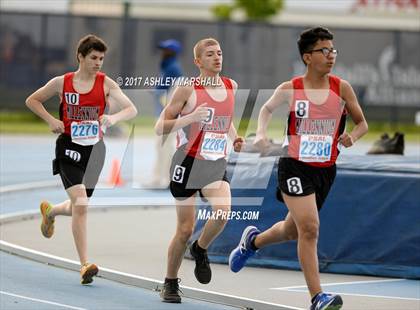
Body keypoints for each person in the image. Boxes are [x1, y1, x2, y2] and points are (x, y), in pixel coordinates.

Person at [229, 27, 368, 310]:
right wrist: (262, 132)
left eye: (333, 50)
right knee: (310, 229)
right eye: (324, 51)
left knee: (292, 231)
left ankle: (252, 242)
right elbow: (266, 110)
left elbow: (362, 123)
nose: (331, 56)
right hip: (293, 166)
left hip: (325, 170)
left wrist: (351, 137)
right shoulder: (290, 88)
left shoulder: (341, 88)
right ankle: (318, 298)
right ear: (307, 57)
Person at [25, 34, 137, 285]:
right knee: (82, 204)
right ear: (81, 57)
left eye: (101, 59)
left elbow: (131, 109)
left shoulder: (106, 84)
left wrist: (113, 119)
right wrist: (52, 120)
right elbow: (32, 100)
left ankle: (51, 211)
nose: (98, 63)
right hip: (69, 148)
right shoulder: (61, 83)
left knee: (79, 205)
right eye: (93, 58)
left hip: (95, 151)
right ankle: (85, 264)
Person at [155, 37, 244, 303]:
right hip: (187, 161)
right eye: (210, 54)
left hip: (214, 163)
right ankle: (170, 282)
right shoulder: (186, 88)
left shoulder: (231, 86)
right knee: (184, 229)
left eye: (219, 53)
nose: (217, 58)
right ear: (197, 61)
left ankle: (200, 247)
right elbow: (161, 126)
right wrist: (191, 118)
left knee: (223, 212)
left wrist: (234, 137)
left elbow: (224, 121)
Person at [144, 39, 183, 188]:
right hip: (163, 114)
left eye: (166, 50)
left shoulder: (173, 68)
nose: (163, 53)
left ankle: (166, 180)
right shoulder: (168, 67)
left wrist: (154, 91)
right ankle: (159, 178)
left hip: (168, 115)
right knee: (161, 146)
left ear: (173, 52)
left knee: (165, 146)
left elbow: (172, 93)